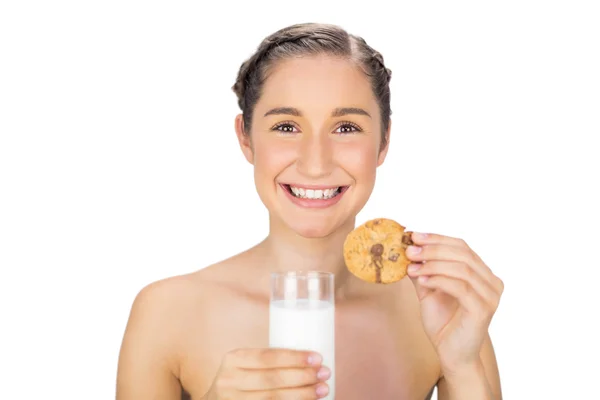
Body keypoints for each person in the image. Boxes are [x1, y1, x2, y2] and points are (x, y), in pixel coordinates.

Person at [116, 22, 504, 400]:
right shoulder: (167, 314)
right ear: (246, 139)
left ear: (383, 142)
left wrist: (463, 366)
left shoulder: (439, 313)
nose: (315, 163)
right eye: (286, 126)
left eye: (346, 127)